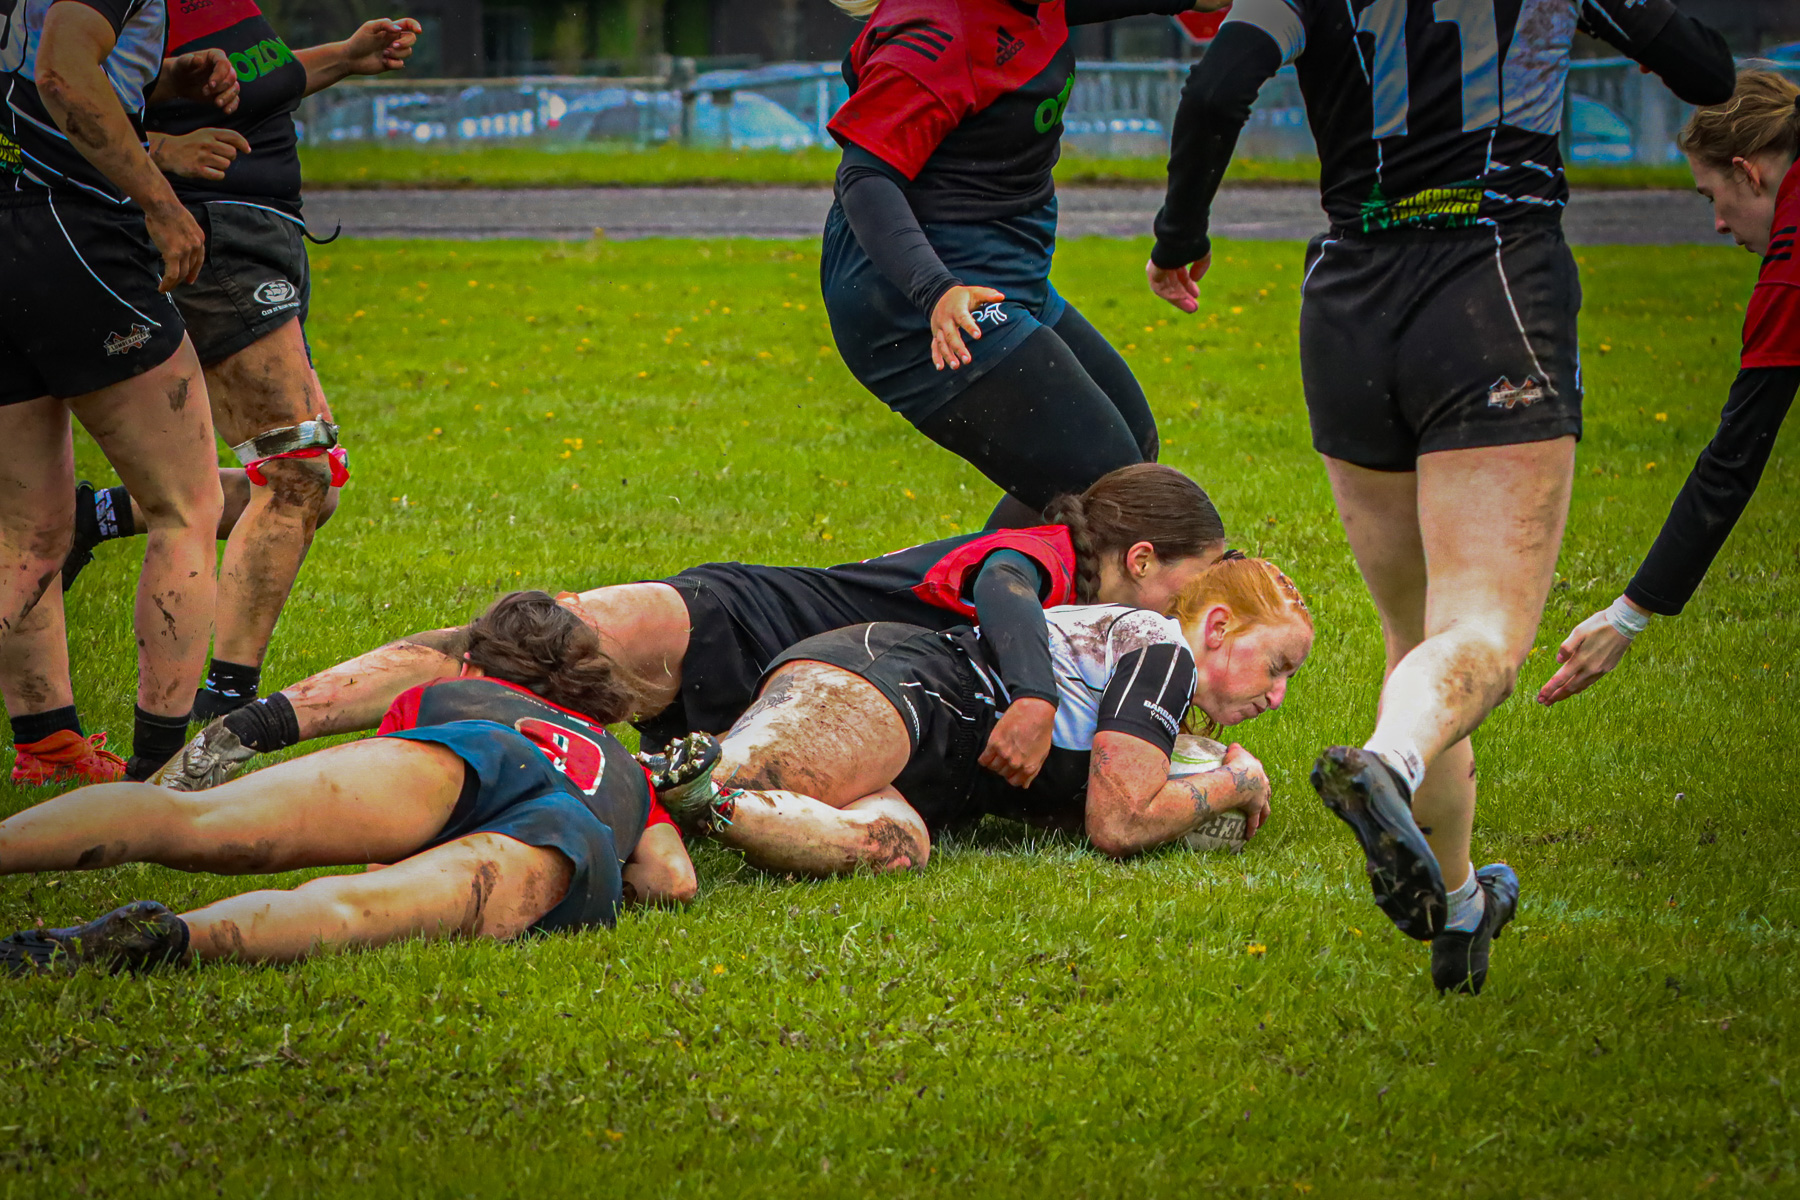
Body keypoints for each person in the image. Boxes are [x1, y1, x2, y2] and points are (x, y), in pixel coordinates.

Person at [1142, 0, 1735, 994]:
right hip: (1492, 274)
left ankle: (1458, 904)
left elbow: (1215, 87)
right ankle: (1388, 763)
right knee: (1483, 636)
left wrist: (1180, 232)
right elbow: (1708, 71)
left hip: (1349, 295)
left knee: (1415, 638)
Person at [153, 464, 1228, 795]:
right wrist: (1037, 697)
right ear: (1139, 559)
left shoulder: (1080, 611)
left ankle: (279, 768)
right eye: (1182, 588)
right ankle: (248, 733)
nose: (1173, 614)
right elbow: (998, 590)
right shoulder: (1038, 556)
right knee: (500, 646)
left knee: (511, 712)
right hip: (737, 614)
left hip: (788, 685)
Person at [0, 592, 696, 977]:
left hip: (470, 748)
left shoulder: (454, 697)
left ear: (473, 664)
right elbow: (670, 881)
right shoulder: (624, 766)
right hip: (570, 837)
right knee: (349, 911)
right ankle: (171, 939)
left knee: (197, 820)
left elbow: (387, 818)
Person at [53, 12, 421, 724]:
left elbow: (253, 87)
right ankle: (221, 711)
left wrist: (347, 56)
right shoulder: (128, 9)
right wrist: (158, 151)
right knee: (296, 475)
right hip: (213, 236)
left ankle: (89, 518)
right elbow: (58, 96)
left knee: (313, 489)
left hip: (263, 232)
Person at [822, 0, 1228, 528]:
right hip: (918, 298)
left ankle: (974, 591)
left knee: (1128, 452)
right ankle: (963, 596)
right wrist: (936, 292)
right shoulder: (936, 36)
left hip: (1006, 273)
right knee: (1115, 493)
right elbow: (864, 178)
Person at [646, 556, 1311, 877]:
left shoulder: (1155, 689)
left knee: (889, 849)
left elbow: (1088, 811)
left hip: (920, 760)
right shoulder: (1163, 650)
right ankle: (600, 780)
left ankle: (706, 796)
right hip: (900, 685)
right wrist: (1237, 784)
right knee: (751, 773)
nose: (1276, 695)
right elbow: (1121, 821)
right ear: (1220, 627)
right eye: (1277, 665)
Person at [1, 0, 246, 783]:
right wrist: (161, 203)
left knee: (29, 534)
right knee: (188, 505)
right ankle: (163, 768)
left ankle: (48, 746)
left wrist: (160, 75)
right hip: (71, 228)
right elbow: (62, 71)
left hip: (8, 223)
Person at [1540, 72, 1800, 706]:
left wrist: (1627, 615)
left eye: (1712, 194)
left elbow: (1733, 460)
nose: (1716, 222)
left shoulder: (1790, 272)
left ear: (1750, 172)